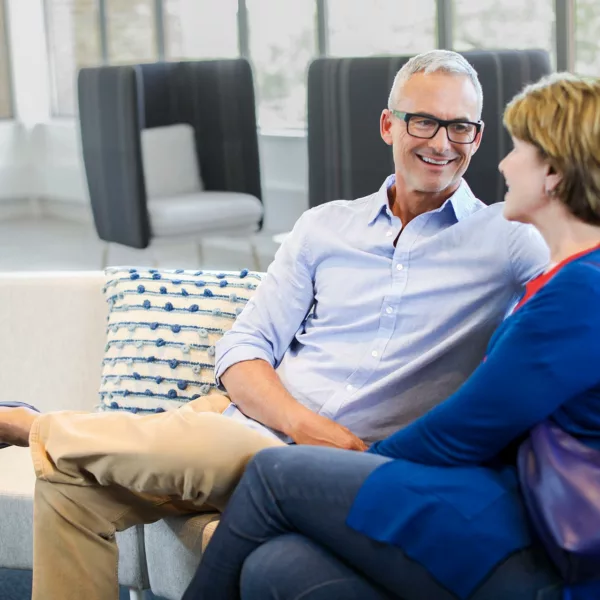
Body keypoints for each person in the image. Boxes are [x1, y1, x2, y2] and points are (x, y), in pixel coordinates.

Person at [0, 50, 549, 600]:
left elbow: (578, 286)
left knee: (109, 458)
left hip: (333, 465)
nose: (442, 142)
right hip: (242, 421)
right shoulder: (324, 226)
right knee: (68, 485)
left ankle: (30, 425)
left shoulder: (508, 239)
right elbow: (244, 346)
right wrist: (301, 422)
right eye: (424, 121)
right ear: (389, 125)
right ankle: (47, 431)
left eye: (461, 127)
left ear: (478, 138)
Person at [182, 73, 600, 600]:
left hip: (541, 543)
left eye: (518, 150)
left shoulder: (581, 291)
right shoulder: (568, 278)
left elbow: (462, 431)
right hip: (503, 501)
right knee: (275, 567)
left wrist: (343, 461)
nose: (502, 163)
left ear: (555, 175)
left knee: (274, 473)